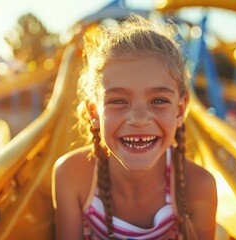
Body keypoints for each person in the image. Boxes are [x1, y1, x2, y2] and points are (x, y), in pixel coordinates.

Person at [52, 14, 217, 240]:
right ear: (94, 111)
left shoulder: (198, 186)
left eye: (159, 101)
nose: (139, 119)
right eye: (118, 101)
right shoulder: (71, 176)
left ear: (179, 110)